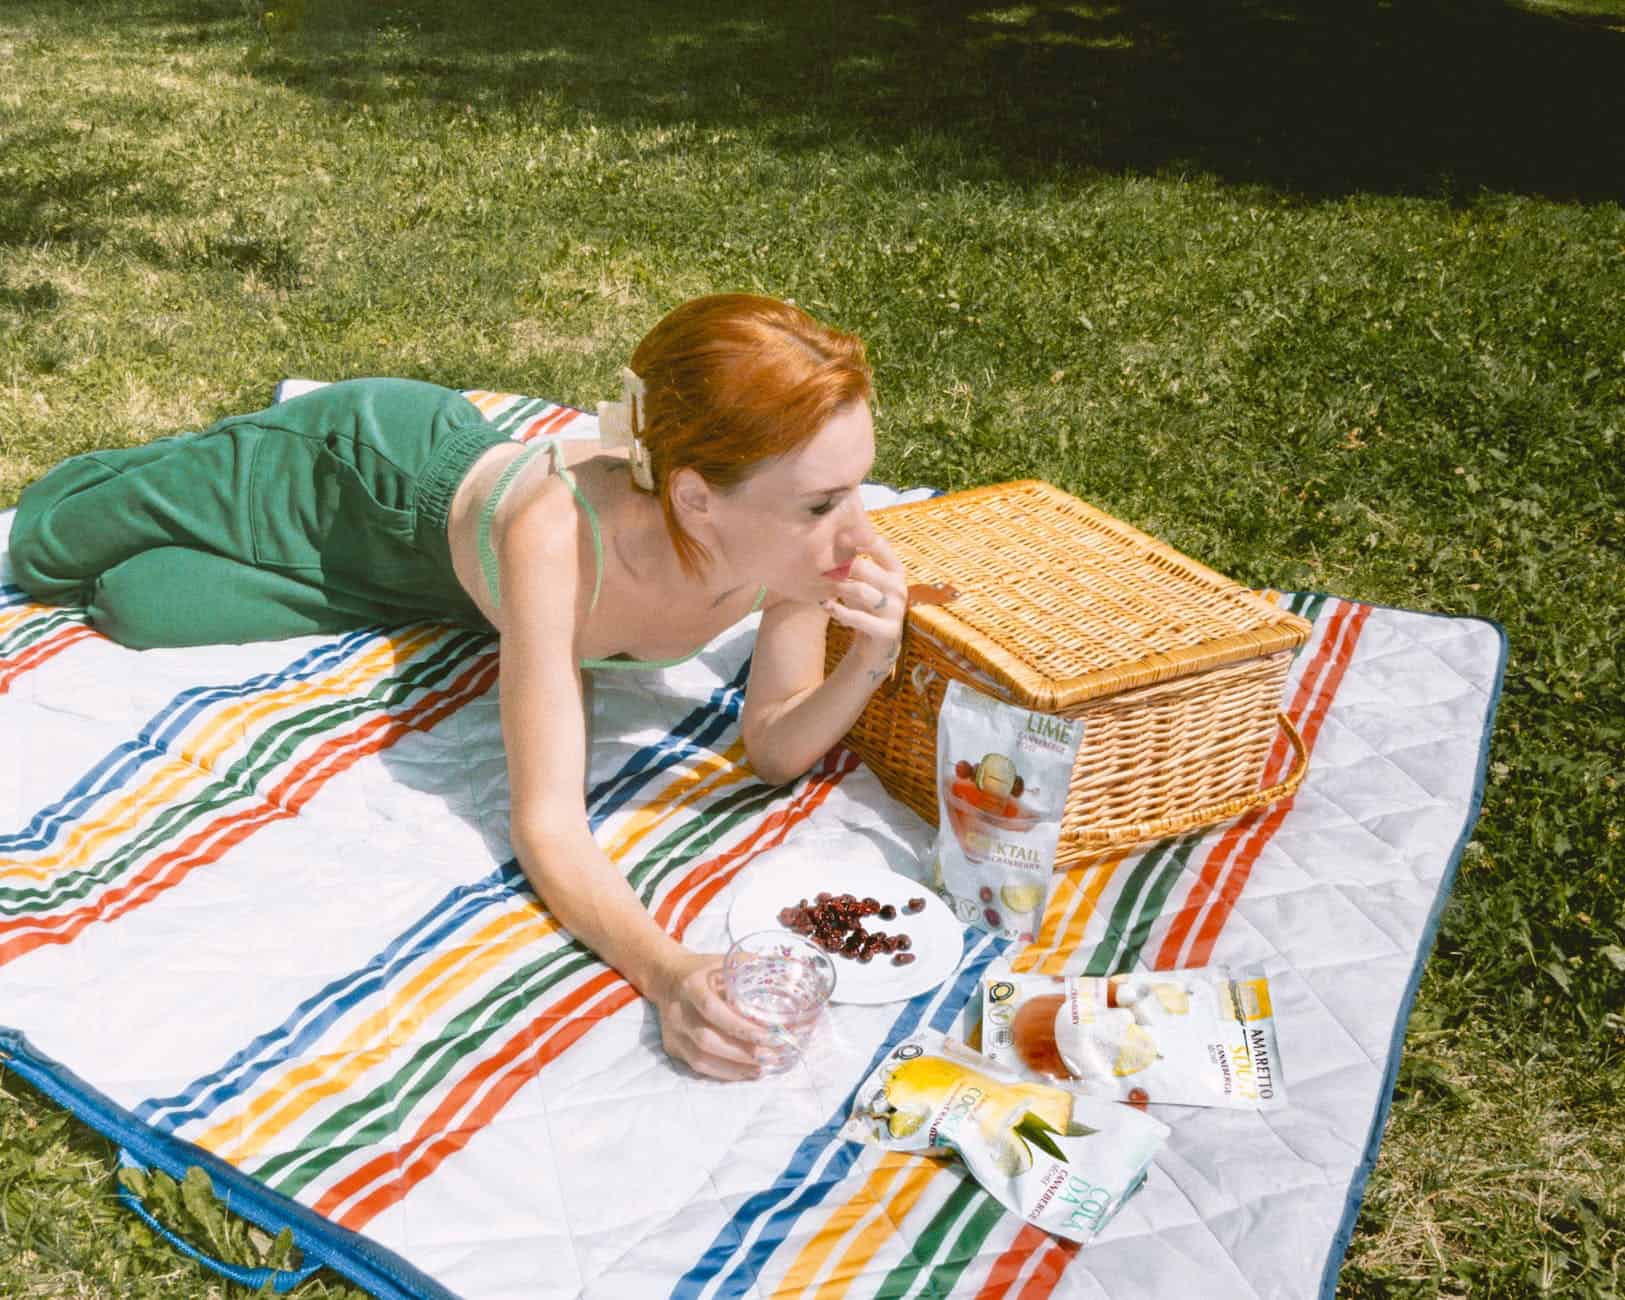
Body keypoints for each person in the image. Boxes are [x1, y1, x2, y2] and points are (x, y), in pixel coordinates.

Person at [8, 293, 909, 1080]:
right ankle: (233, 451)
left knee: (137, 609)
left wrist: (867, 656)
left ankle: (271, 565)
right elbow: (547, 824)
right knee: (46, 544)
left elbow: (775, 748)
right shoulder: (561, 536)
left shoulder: (798, 566)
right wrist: (666, 970)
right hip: (365, 473)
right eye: (821, 502)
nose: (856, 532)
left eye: (855, 489)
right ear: (695, 498)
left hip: (440, 590)